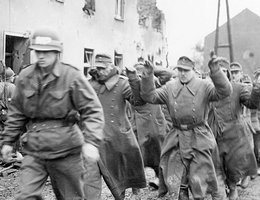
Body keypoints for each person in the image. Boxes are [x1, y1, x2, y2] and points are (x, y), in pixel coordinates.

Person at [0, 28, 104, 200]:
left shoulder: (71, 76)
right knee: (25, 196)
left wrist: (91, 141)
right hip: (35, 149)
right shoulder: (26, 76)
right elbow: (17, 112)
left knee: (71, 197)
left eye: (47, 52)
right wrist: (8, 141)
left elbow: (92, 110)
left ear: (57, 53)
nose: (41, 56)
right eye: (38, 51)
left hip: (66, 150)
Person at [140, 56, 232, 200]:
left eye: (186, 70)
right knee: (178, 177)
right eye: (180, 70)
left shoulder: (204, 85)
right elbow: (150, 96)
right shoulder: (170, 87)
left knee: (199, 177)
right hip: (176, 137)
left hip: (199, 136)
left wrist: (216, 71)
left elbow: (225, 92)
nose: (182, 73)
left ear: (193, 70)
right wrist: (147, 75)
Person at [86, 54, 146, 200]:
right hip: (93, 139)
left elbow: (138, 102)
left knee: (120, 181)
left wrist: (133, 79)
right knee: (89, 181)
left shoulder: (122, 84)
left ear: (111, 67)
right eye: (97, 68)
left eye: (103, 68)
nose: (99, 71)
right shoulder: (89, 84)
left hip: (117, 139)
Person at [208, 60, 260, 200]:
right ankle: (220, 190)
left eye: (224, 72)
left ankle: (232, 188)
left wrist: (257, 87)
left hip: (234, 135)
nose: (221, 75)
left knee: (232, 166)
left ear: (229, 74)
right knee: (217, 165)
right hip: (214, 133)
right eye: (219, 72)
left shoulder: (237, 88)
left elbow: (252, 103)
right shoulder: (208, 89)